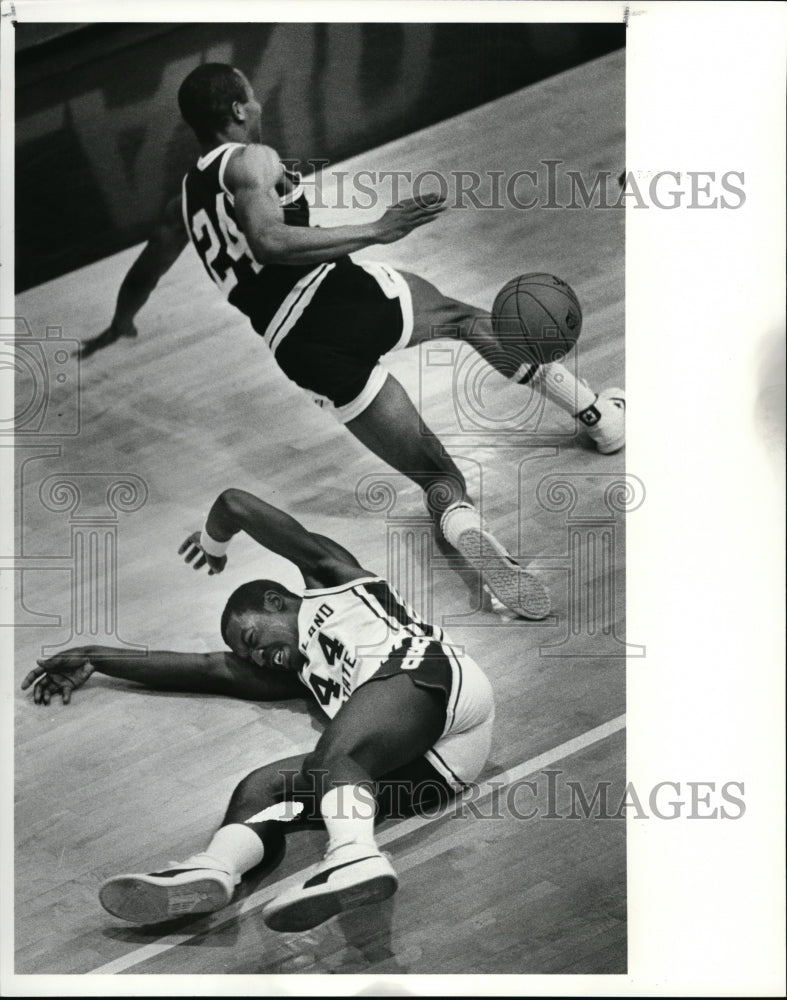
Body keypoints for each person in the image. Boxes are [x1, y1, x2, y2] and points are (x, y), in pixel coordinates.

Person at [79, 63, 625, 621]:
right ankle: (597, 416)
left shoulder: (184, 204)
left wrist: (120, 321)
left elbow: (147, 268)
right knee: (463, 320)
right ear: (238, 110)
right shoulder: (251, 159)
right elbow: (267, 240)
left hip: (298, 349)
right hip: (339, 296)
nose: (260, 106)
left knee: (440, 478)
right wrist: (377, 229)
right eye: (253, 97)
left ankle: (473, 535)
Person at [21, 487, 496, 931]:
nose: (258, 657)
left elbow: (234, 504)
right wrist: (96, 655)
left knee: (332, 758)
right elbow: (208, 669)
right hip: (439, 770)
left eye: (253, 639)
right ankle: (215, 873)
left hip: (436, 680)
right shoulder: (301, 673)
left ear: (276, 602)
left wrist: (213, 543)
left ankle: (354, 855)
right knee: (264, 788)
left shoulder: (333, 578)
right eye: (250, 656)